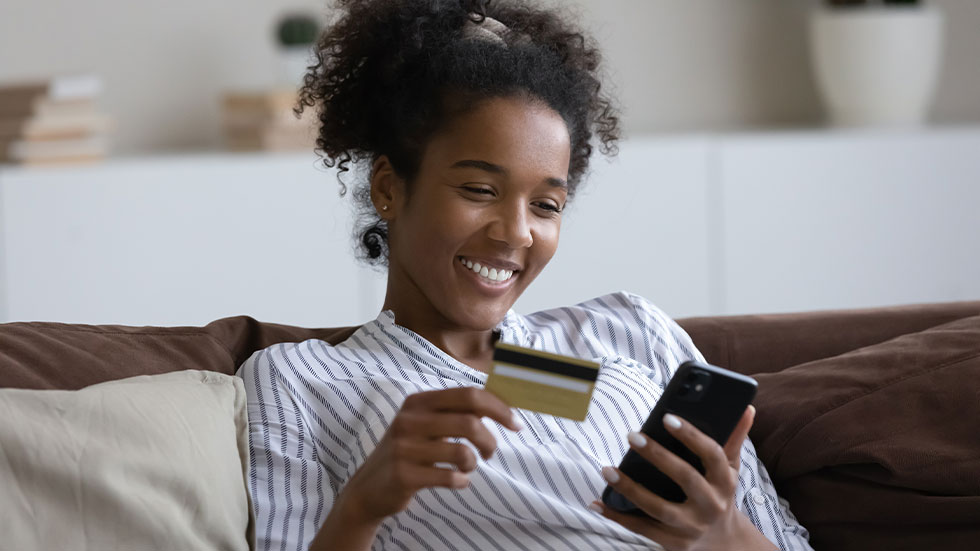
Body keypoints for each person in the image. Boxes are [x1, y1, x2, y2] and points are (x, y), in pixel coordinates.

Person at [237, 1, 813, 549]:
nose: (516, 233)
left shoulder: (628, 333)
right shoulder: (304, 380)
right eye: (479, 190)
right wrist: (363, 505)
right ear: (389, 187)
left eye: (546, 205)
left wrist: (724, 536)